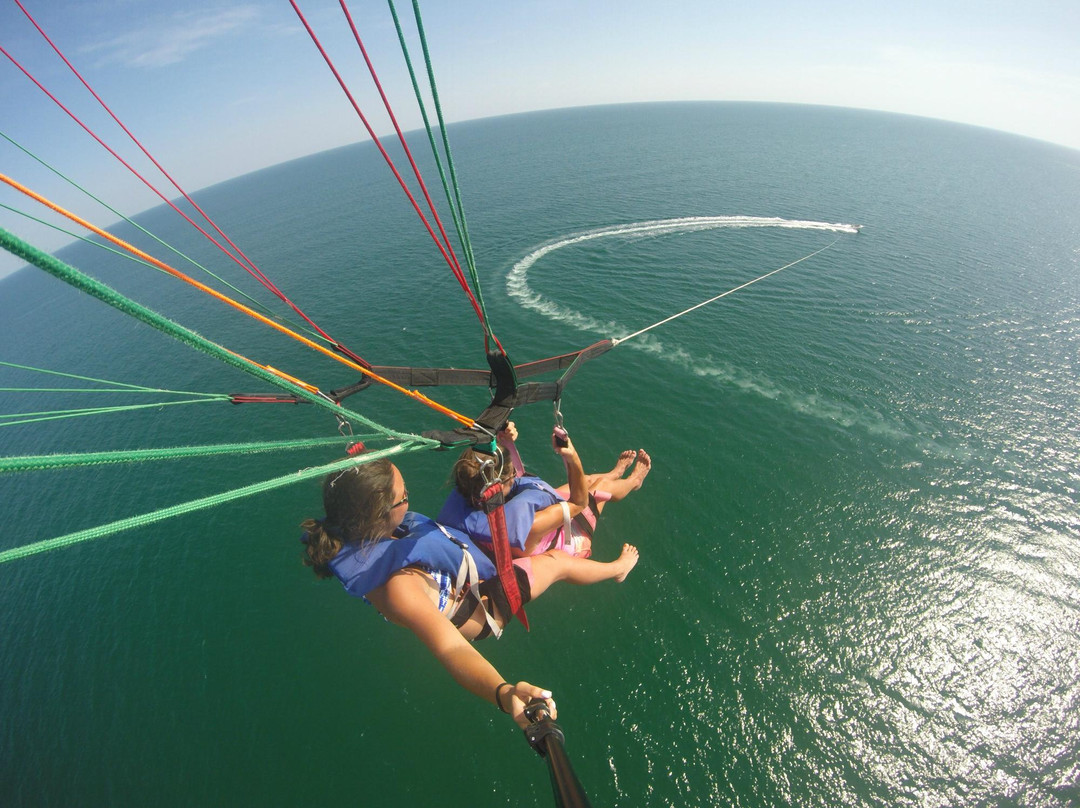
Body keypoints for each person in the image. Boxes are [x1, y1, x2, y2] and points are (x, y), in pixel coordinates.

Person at [301, 458, 639, 727]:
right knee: (557, 563)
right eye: (404, 496)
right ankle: (617, 569)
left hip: (468, 563)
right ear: (379, 513)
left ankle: (611, 478)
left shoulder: (366, 530)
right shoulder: (398, 586)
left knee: (555, 493)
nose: (410, 498)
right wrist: (503, 692)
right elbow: (450, 647)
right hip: (483, 606)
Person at [438, 422, 651, 559]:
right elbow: (579, 503)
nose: (516, 477)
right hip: (570, 540)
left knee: (586, 479)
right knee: (599, 489)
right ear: (499, 487)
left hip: (541, 526)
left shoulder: (472, 490)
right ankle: (634, 481)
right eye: (512, 476)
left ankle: (613, 473)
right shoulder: (528, 525)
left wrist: (507, 442)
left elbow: (504, 471)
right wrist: (571, 456)